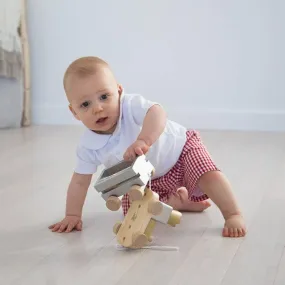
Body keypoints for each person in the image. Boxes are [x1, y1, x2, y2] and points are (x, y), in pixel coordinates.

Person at [49, 56, 246, 238]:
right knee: (133, 211)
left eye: (104, 97)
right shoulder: (87, 146)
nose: (97, 108)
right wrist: (72, 214)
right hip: (149, 178)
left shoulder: (129, 105)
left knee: (207, 174)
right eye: (85, 104)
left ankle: (232, 213)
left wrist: (144, 140)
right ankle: (178, 201)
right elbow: (79, 182)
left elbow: (157, 112)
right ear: (73, 111)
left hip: (180, 151)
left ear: (118, 91)